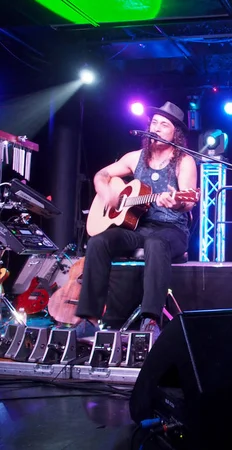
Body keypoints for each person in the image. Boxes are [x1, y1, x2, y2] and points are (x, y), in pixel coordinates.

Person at [74, 101, 198, 340]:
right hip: (139, 227)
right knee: (99, 241)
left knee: (156, 243)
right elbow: (102, 174)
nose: (158, 128)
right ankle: (89, 318)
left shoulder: (184, 161)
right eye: (154, 123)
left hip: (172, 229)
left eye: (165, 124)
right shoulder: (135, 157)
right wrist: (106, 193)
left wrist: (178, 202)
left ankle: (150, 319)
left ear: (176, 133)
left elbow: (190, 201)